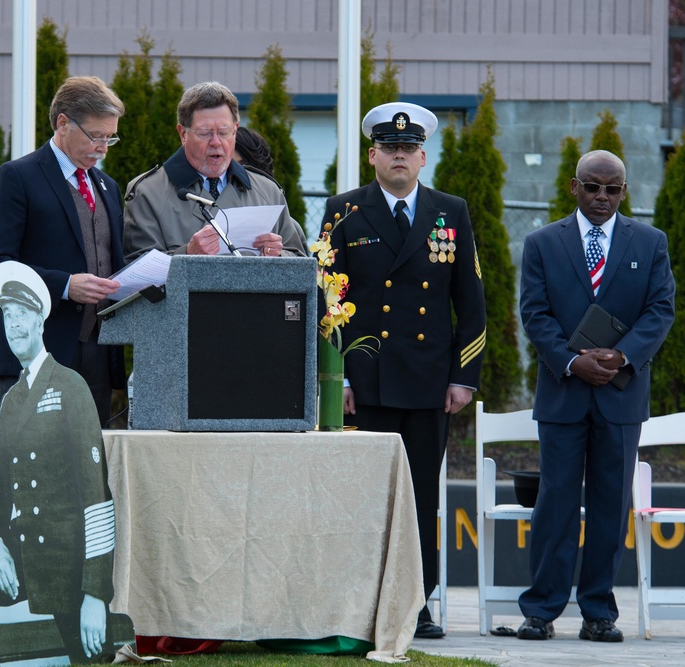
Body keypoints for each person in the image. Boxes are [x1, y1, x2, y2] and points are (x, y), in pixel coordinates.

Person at [322, 102, 486, 640]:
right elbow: (329, 298)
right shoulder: (344, 211)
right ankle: (361, 602)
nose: (399, 156)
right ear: (373, 156)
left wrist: (464, 377)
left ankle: (417, 602)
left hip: (427, 383)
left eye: (408, 149)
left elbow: (472, 300)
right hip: (363, 382)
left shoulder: (450, 211)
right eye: (389, 149)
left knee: (420, 496)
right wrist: (336, 379)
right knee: (363, 496)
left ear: (422, 156)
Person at [516, 150, 675, 642]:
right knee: (556, 502)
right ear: (574, 187)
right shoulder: (543, 243)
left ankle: (598, 612)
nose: (602, 197)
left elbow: (660, 309)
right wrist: (570, 360)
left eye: (612, 188)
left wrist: (621, 356)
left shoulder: (650, 243)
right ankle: (541, 610)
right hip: (564, 393)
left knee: (610, 505)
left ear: (624, 191)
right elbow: (535, 314)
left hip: (621, 396)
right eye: (593, 187)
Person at [0, 262, 117, 666]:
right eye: (8, 316)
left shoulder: (70, 386)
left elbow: (96, 497)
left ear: (41, 321)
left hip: (64, 561)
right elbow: (2, 484)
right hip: (22, 552)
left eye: (23, 315)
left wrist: (95, 594)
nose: (15, 325)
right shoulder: (12, 399)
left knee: (90, 655)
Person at [0, 76, 127, 461]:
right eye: (95, 136)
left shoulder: (107, 186)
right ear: (62, 123)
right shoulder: (17, 178)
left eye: (110, 138)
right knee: (28, 477)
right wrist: (63, 285)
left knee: (87, 481)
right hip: (35, 352)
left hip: (95, 355)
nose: (102, 148)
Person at [122, 81, 307, 260]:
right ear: (183, 134)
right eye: (205, 133)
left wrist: (278, 256)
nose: (216, 142)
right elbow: (139, 276)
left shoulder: (267, 191)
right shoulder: (147, 193)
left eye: (224, 132)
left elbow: (301, 263)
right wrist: (187, 255)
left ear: (235, 130)